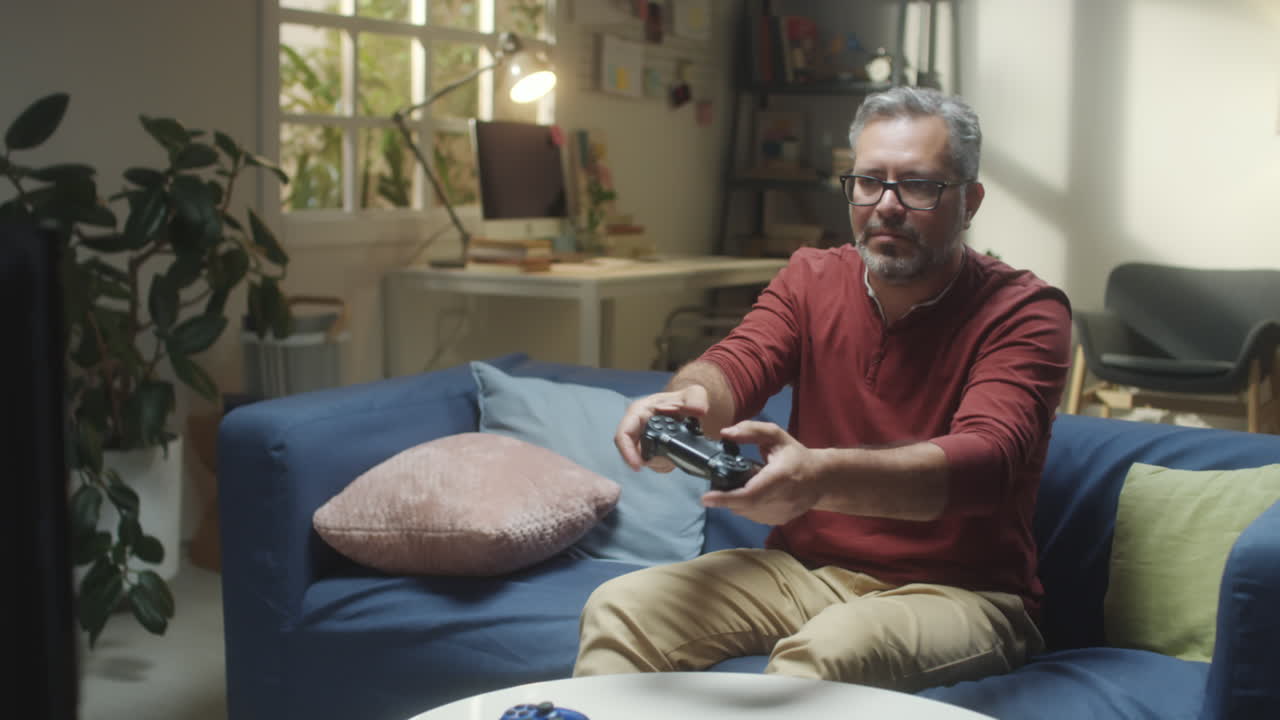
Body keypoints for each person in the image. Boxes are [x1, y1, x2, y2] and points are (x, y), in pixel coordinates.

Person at [573, 86, 1072, 692]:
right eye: (868, 182)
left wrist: (818, 479)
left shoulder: (1026, 311)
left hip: (962, 593)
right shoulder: (812, 277)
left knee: (827, 654)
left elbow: (985, 464)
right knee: (620, 606)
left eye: (917, 185)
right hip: (802, 570)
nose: (886, 205)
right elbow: (737, 362)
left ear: (970, 201)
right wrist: (686, 404)